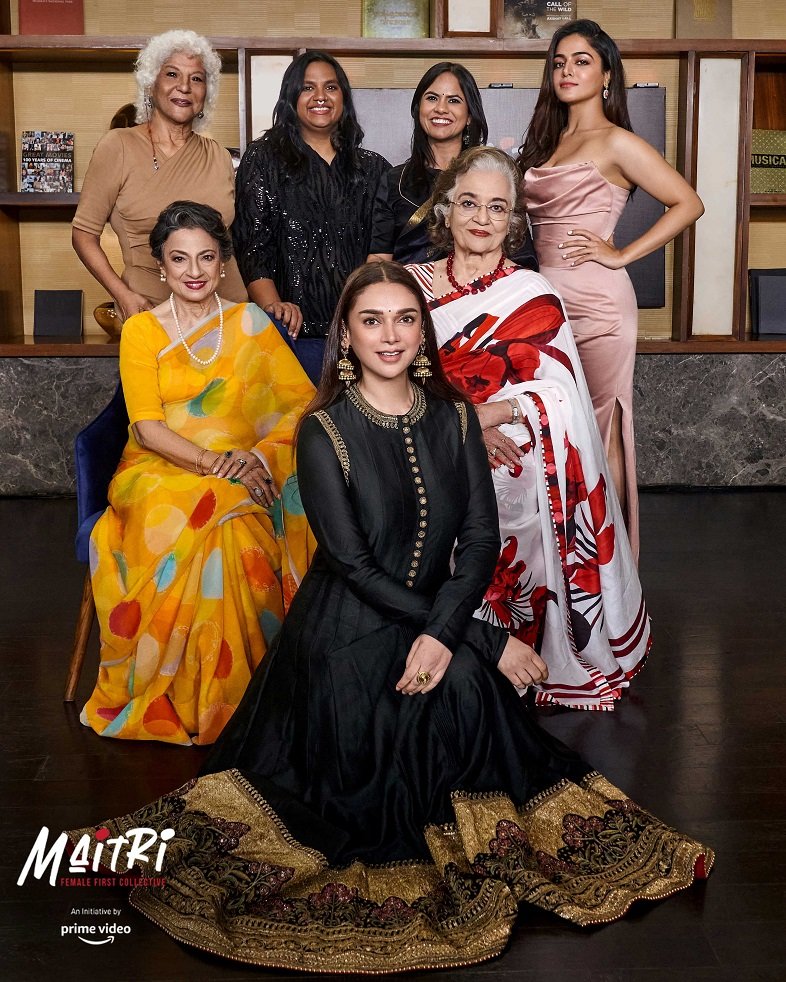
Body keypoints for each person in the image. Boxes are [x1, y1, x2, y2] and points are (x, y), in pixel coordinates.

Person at [67, 261, 711, 973]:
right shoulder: (322, 432)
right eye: (371, 320)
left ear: (424, 333)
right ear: (344, 334)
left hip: (433, 611)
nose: (391, 335)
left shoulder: (456, 417)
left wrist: (446, 634)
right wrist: (478, 636)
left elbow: (477, 543)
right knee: (433, 698)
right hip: (346, 627)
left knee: (467, 693)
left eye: (405, 319)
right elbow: (354, 568)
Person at [407, 146, 649, 710]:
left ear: (514, 221)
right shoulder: (409, 287)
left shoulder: (535, 295)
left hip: (514, 432)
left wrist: (493, 419)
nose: (481, 219)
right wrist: (462, 426)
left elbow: (561, 395)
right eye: (469, 203)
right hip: (429, 430)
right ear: (445, 208)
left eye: (497, 208)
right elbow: (392, 376)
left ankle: (512, 640)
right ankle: (442, 639)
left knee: (512, 480)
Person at [80, 202, 315, 745]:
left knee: (238, 523)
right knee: (220, 514)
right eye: (179, 258)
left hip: (243, 468)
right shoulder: (141, 330)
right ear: (160, 265)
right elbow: (146, 430)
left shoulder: (249, 322)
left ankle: (247, 695)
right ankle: (201, 699)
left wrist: (256, 458)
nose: (193, 270)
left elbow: (300, 408)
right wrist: (215, 465)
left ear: (222, 262)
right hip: (158, 473)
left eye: (206, 257)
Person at [518, 19, 704, 558]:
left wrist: (620, 253)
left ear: (605, 74)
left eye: (581, 61)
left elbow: (688, 202)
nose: (567, 71)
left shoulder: (617, 141)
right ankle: (571, 568)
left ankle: (614, 571)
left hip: (600, 305)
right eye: (559, 62)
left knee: (602, 429)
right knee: (561, 429)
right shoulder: (549, 142)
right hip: (545, 305)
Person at [233, 50, 388, 384]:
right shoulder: (263, 160)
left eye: (331, 87)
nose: (321, 96)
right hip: (293, 337)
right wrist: (275, 311)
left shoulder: (373, 168)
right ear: (292, 97)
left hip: (360, 337)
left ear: (343, 98)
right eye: (308, 88)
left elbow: (385, 252)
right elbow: (252, 245)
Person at [72, 29, 247, 322]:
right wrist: (121, 294)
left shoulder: (218, 155)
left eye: (197, 78)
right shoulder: (118, 146)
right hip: (152, 312)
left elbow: (229, 241)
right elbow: (83, 235)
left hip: (228, 312)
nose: (185, 87)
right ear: (151, 83)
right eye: (172, 75)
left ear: (207, 92)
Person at [368, 61, 538, 269]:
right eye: (432, 98)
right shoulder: (395, 181)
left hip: (483, 294)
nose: (441, 108)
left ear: (469, 116)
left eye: (454, 101)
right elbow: (379, 260)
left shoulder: (495, 176)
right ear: (418, 109)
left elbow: (522, 256)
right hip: (413, 295)